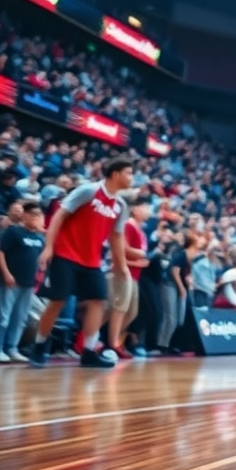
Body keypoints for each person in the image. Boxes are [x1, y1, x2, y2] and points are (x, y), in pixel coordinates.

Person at [28, 157, 136, 369]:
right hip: (65, 254)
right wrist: (49, 247)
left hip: (92, 261)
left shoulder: (121, 206)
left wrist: (121, 265)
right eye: (129, 173)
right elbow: (59, 216)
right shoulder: (88, 191)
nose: (132, 178)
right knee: (57, 301)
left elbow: (116, 237)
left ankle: (88, 351)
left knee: (98, 301)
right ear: (115, 174)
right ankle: (39, 346)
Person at [0, 201, 45, 363]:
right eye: (32, 215)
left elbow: (39, 261)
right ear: (24, 215)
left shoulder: (39, 237)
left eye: (39, 215)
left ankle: (12, 348)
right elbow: (0, 253)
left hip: (28, 284)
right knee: (3, 317)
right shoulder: (14, 232)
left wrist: (37, 280)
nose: (36, 218)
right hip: (10, 281)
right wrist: (6, 273)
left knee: (20, 318)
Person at [106, 197, 151, 359]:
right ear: (135, 209)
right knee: (119, 309)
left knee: (131, 312)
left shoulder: (140, 229)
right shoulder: (128, 225)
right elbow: (122, 248)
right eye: (145, 207)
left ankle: (113, 340)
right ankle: (111, 344)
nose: (149, 210)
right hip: (123, 273)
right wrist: (140, 256)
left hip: (134, 275)